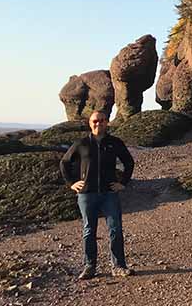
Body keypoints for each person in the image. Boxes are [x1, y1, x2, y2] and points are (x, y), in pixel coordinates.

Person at [60, 110, 135, 280]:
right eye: (95, 121)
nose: (98, 123)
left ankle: (118, 266)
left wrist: (122, 183)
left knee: (115, 229)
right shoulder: (81, 143)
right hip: (87, 194)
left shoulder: (114, 143)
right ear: (90, 123)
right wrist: (72, 183)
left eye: (101, 120)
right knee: (88, 230)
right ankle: (89, 266)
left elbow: (129, 162)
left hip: (109, 193)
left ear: (106, 122)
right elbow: (64, 162)